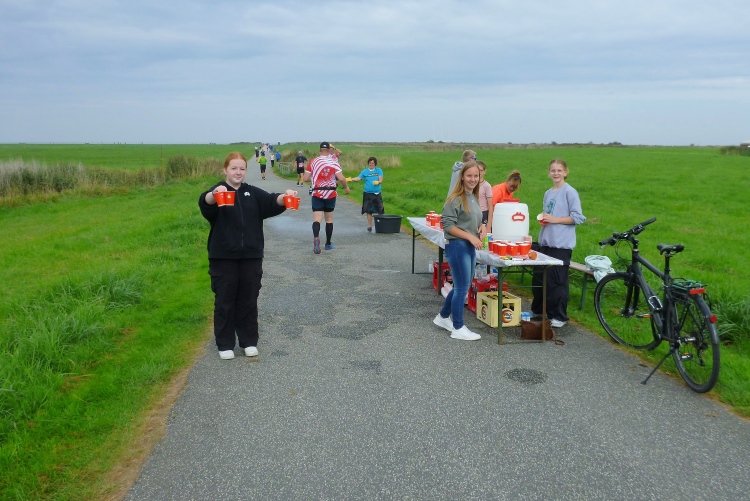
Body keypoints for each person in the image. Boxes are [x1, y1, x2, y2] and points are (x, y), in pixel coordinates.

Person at [198, 152, 298, 360]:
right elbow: (205, 202)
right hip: (223, 257)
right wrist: (214, 194)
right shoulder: (218, 192)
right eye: (233, 168)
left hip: (251, 256)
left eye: (242, 168)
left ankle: (249, 342)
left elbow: (272, 201)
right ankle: (225, 344)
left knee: (248, 299)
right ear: (225, 170)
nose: (238, 172)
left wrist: (285, 196)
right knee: (224, 300)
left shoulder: (251, 193)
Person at [432, 161, 486, 341]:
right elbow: (448, 226)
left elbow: (473, 220)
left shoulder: (473, 197)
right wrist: (470, 237)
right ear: (462, 176)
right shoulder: (455, 198)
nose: (473, 179)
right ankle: (458, 327)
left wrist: (482, 226)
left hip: (469, 246)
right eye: (469, 176)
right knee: (462, 288)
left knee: (461, 286)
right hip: (457, 246)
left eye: (476, 176)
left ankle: (443, 317)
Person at [531, 159, 586, 328]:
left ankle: (559, 316)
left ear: (566, 172)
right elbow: (549, 213)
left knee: (557, 282)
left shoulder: (570, 192)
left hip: (561, 245)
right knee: (539, 279)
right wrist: (545, 220)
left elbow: (578, 217)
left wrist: (555, 220)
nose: (556, 173)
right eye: (553, 170)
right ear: (549, 173)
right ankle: (539, 310)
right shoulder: (548, 193)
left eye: (559, 170)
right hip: (546, 242)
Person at [303, 141, 350, 253]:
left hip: (317, 192)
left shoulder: (313, 161)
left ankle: (316, 237)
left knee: (317, 218)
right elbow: (341, 178)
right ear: (329, 150)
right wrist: (346, 188)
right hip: (330, 193)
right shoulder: (334, 162)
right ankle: (328, 243)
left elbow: (305, 178)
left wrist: (314, 179)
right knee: (329, 219)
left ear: (320, 150)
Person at [350, 156, 384, 232]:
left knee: (380, 209)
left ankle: (381, 225)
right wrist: (351, 179)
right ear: (368, 163)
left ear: (375, 164)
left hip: (377, 193)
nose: (371, 164)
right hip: (368, 193)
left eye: (373, 163)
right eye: (370, 163)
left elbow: (381, 179)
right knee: (369, 210)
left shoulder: (379, 170)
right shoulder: (365, 171)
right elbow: (359, 178)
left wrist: (378, 182)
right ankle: (369, 226)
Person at [477, 160, 493, 233]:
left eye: (481, 170)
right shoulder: (471, 185)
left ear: (484, 171)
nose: (479, 172)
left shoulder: (486, 186)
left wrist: (489, 225)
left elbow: (490, 206)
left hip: (483, 213)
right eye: (477, 170)